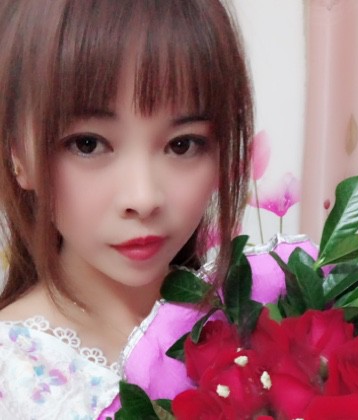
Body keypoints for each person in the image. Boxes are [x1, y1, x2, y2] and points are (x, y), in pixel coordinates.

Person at [0, 0, 254, 417]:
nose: (143, 198)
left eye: (182, 144)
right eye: (88, 144)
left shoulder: (256, 320)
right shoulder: (13, 378)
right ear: (17, 154)